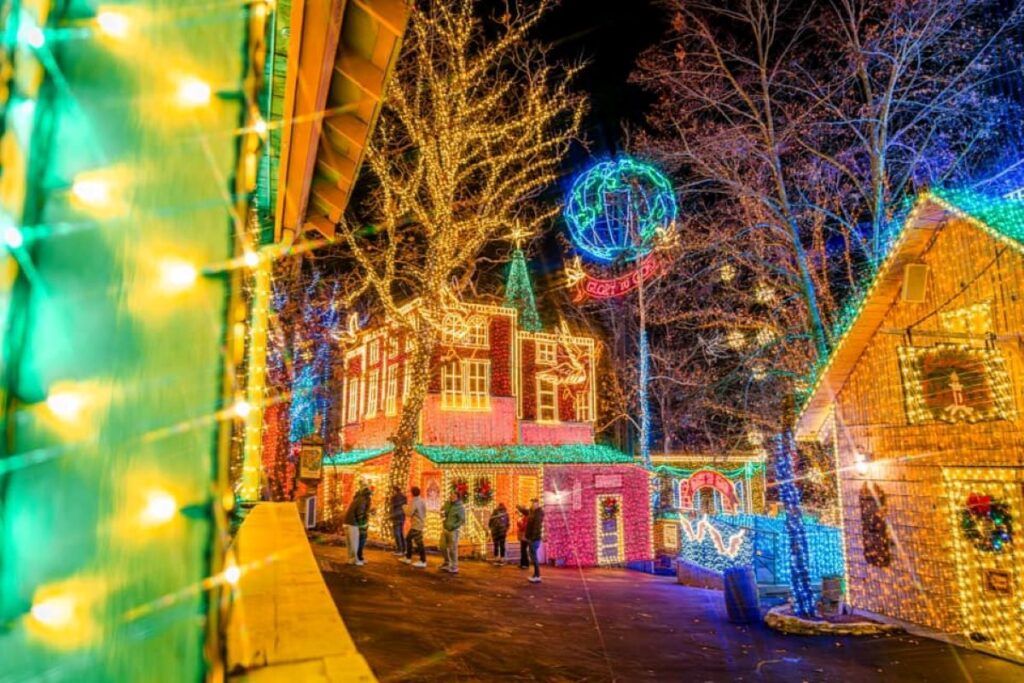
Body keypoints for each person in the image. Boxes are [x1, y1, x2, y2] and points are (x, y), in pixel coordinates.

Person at [343, 482, 371, 566]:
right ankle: (355, 560)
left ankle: (351, 559)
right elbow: (360, 514)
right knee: (354, 543)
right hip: (352, 523)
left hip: (347, 522)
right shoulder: (362, 501)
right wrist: (363, 524)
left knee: (350, 544)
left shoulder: (357, 499)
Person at [517, 498, 545, 583]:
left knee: (534, 557)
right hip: (531, 538)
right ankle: (536, 575)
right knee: (532, 556)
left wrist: (531, 539)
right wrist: (519, 508)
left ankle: (537, 576)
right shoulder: (532, 512)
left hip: (534, 539)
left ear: (537, 504)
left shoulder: (538, 514)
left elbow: (536, 528)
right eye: (531, 503)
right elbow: (525, 512)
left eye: (533, 503)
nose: (532, 505)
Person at [438, 490, 466, 574]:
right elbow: (442, 511)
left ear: (458, 497)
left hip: (453, 531)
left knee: (452, 549)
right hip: (445, 528)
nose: (452, 497)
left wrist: (454, 526)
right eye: (451, 495)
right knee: (442, 546)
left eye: (454, 496)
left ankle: (454, 566)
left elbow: (462, 520)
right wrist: (442, 514)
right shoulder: (447, 504)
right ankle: (447, 562)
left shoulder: (460, 507)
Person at [400, 485, 428, 568]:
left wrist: (404, 507)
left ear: (412, 493)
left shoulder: (415, 502)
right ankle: (408, 557)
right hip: (420, 523)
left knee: (418, 542)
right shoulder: (422, 500)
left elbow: (409, 513)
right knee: (409, 539)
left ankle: (422, 560)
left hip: (416, 524)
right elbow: (424, 511)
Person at [389, 485, 408, 556]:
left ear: (394, 490)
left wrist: (391, 515)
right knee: (401, 533)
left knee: (397, 533)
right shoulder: (404, 497)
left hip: (396, 516)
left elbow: (392, 507)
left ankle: (399, 550)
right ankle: (404, 549)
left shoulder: (394, 497)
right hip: (402, 516)